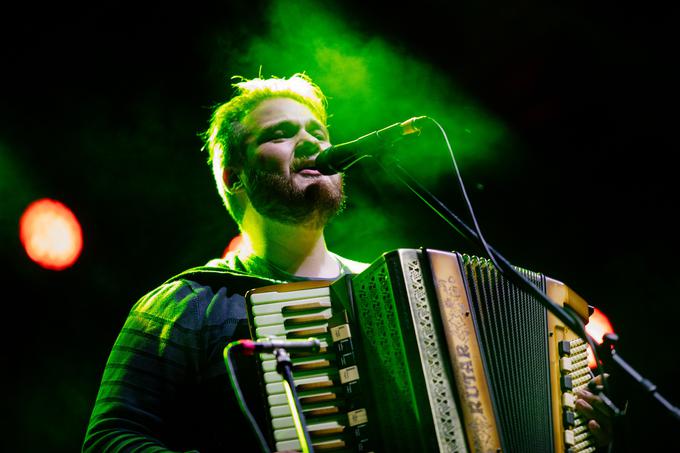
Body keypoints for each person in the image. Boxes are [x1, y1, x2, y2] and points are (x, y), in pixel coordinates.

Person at [82, 72, 614, 452]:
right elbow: (111, 437)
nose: (309, 142)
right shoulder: (186, 303)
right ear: (234, 177)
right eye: (280, 134)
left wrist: (586, 434)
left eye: (317, 132)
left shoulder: (393, 293)